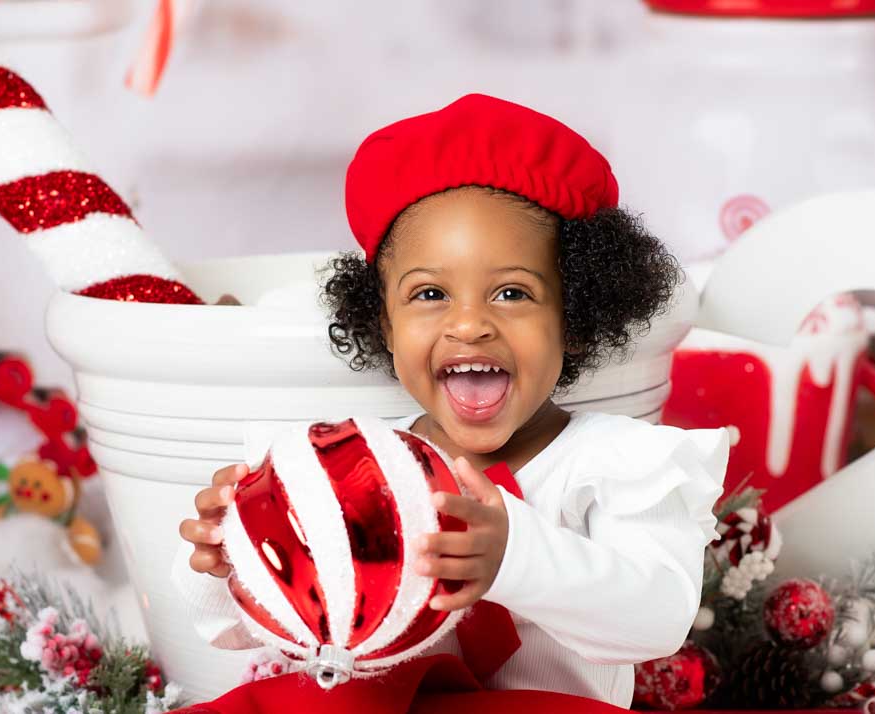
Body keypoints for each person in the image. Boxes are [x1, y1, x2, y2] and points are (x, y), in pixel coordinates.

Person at [174, 94, 729, 710]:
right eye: (430, 293)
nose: (469, 324)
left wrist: (514, 557)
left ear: (575, 315)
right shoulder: (353, 465)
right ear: (382, 324)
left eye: (513, 292)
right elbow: (234, 630)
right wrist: (230, 562)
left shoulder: (616, 462)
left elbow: (655, 619)